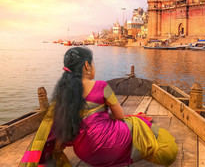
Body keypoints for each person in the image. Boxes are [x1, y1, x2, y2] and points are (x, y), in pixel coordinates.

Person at [20, 47, 178, 166]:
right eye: (93, 63)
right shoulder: (101, 86)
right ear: (87, 65)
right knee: (137, 124)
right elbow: (120, 116)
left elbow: (61, 131)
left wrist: (57, 149)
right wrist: (105, 118)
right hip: (110, 146)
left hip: (85, 154)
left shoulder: (64, 94)